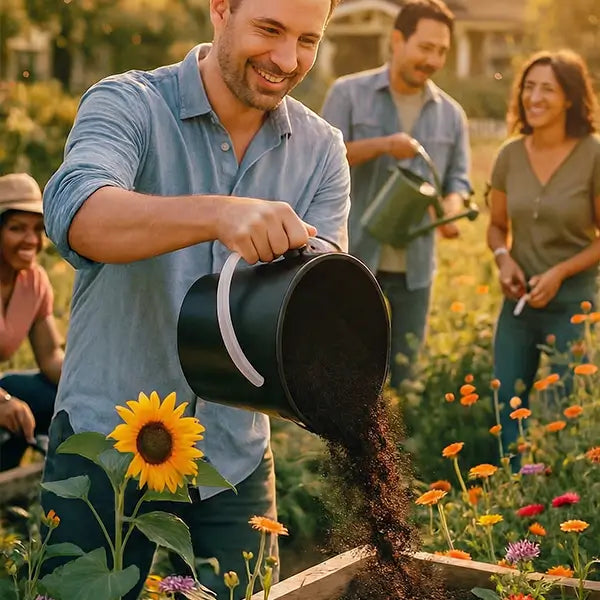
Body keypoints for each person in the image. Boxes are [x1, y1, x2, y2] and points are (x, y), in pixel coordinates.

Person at [41, 0, 349, 597]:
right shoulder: (129, 103)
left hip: (232, 454)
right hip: (105, 442)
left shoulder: (320, 150)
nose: (287, 60)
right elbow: (77, 213)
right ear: (220, 9)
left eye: (308, 40)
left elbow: (317, 300)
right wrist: (217, 215)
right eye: (269, 30)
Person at [321, 0, 471, 390]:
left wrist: (452, 209)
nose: (433, 59)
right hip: (357, 258)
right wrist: (384, 144)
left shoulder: (451, 114)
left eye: (441, 51)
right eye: (425, 48)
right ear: (397, 41)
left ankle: (401, 446)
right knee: (351, 368)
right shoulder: (348, 93)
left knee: (406, 372)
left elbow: (458, 180)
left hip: (416, 266)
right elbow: (323, 163)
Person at [487, 50, 600, 455]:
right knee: (509, 413)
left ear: (569, 97)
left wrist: (559, 273)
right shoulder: (509, 155)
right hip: (518, 308)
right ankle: (517, 501)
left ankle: (560, 504)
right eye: (529, 87)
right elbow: (497, 227)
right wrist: (504, 258)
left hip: (575, 306)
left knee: (562, 414)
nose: (534, 97)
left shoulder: (592, 154)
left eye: (547, 89)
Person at [0, 173, 64, 471]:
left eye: (38, 229)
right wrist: (2, 401)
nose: (31, 240)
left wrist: (89, 386)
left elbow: (51, 357)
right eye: (17, 228)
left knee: (51, 395)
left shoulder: (33, 281)